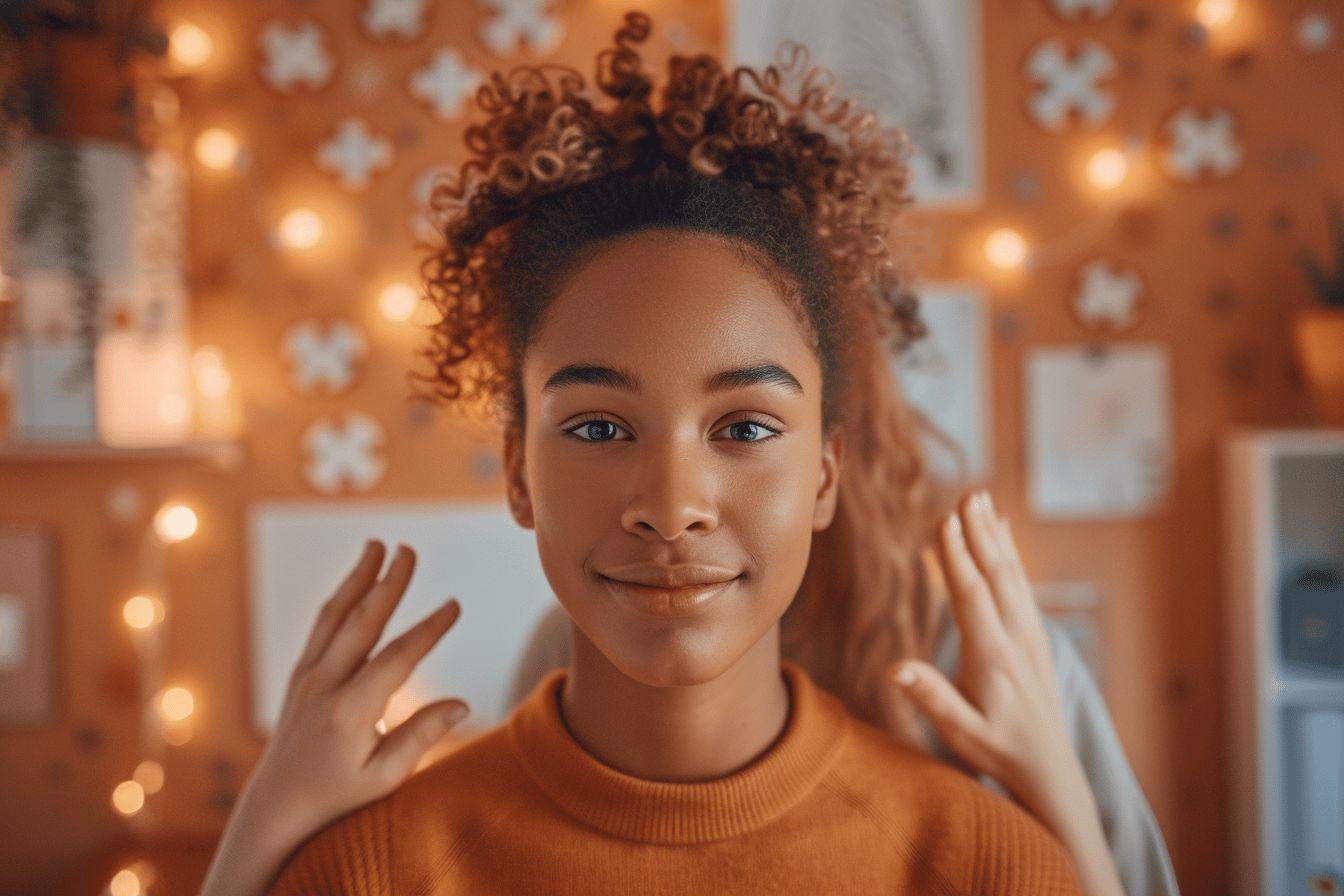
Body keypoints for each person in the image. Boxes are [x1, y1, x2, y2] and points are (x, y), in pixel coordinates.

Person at [199, 11, 1176, 895]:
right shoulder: (393, 859)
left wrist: (1050, 798)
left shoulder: (981, 829)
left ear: (827, 467)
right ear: (516, 470)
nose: (671, 506)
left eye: (745, 427)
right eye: (597, 427)